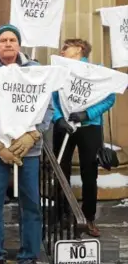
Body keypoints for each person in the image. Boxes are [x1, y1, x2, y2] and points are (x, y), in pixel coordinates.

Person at [0, 24, 53, 264]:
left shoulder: (36, 71)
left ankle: (29, 255)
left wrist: (33, 135)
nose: (8, 43)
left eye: (12, 40)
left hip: (29, 149)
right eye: (3, 39)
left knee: (31, 204)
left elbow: (47, 107)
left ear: (19, 45)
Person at [52, 39, 115, 238]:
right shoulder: (58, 70)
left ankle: (89, 217)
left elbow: (109, 98)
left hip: (90, 126)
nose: (61, 50)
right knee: (60, 170)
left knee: (90, 173)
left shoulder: (97, 70)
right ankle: (61, 214)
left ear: (79, 49)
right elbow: (51, 97)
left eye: (65, 47)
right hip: (64, 125)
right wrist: (58, 118)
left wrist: (87, 114)